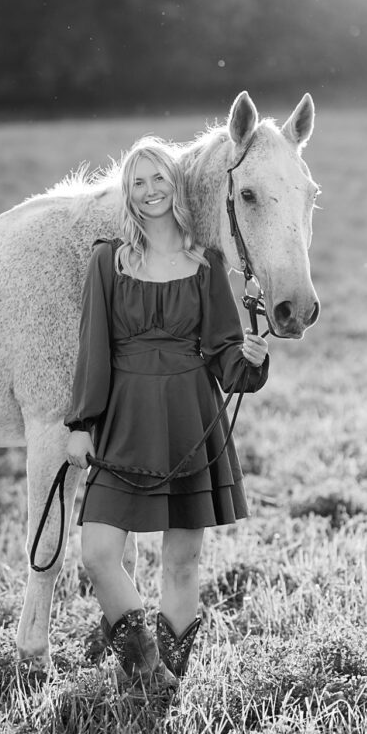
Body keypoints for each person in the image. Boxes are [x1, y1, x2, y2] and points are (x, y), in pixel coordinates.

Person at [64, 137, 268, 695]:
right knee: (99, 552)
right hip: (125, 421)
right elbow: (93, 349)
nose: (151, 191)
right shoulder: (108, 261)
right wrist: (82, 424)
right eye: (139, 182)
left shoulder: (208, 263)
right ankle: (149, 671)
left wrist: (250, 360)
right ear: (128, 194)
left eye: (159, 179)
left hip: (189, 415)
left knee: (183, 559)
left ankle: (168, 685)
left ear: (175, 186)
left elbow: (226, 353)